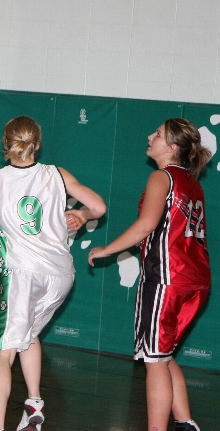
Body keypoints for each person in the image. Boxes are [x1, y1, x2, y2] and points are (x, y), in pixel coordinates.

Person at [0, 116, 106, 431]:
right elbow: (98, 206)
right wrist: (82, 214)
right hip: (61, 275)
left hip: (23, 274)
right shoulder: (57, 173)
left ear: (5, 143)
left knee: (2, 353)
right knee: (26, 335)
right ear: (37, 144)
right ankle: (34, 404)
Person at [89, 118, 211, 431]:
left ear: (172, 147)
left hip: (166, 279)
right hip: (196, 281)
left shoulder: (162, 177)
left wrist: (107, 250)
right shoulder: (192, 183)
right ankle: (185, 423)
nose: (149, 136)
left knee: (154, 361)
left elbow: (146, 225)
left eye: (157, 134)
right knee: (164, 355)